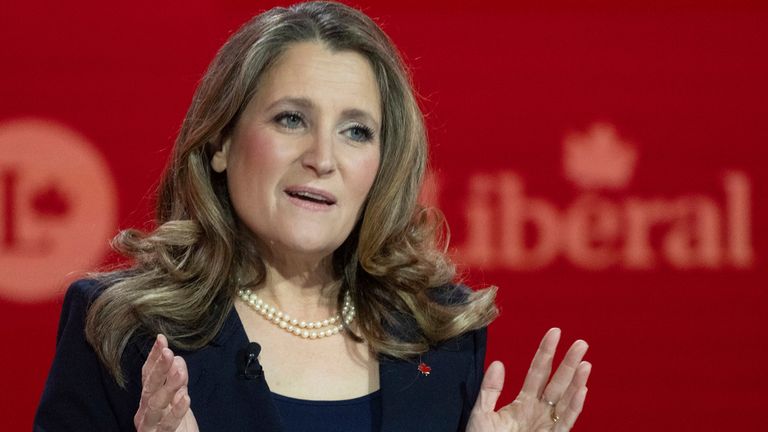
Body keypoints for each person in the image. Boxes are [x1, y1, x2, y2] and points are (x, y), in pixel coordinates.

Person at [34, 2, 591, 431]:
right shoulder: (123, 327)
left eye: (356, 131)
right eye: (291, 119)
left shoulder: (438, 335)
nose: (322, 159)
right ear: (222, 141)